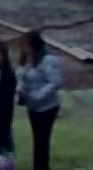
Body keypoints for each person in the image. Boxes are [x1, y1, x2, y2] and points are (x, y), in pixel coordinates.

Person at [18, 31, 62, 170]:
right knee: (38, 141)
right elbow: (22, 75)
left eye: (25, 45)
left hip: (47, 108)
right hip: (33, 108)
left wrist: (37, 95)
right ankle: (39, 166)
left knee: (42, 140)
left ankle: (42, 167)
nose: (23, 48)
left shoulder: (48, 59)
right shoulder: (29, 59)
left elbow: (56, 82)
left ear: (33, 45)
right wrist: (20, 86)